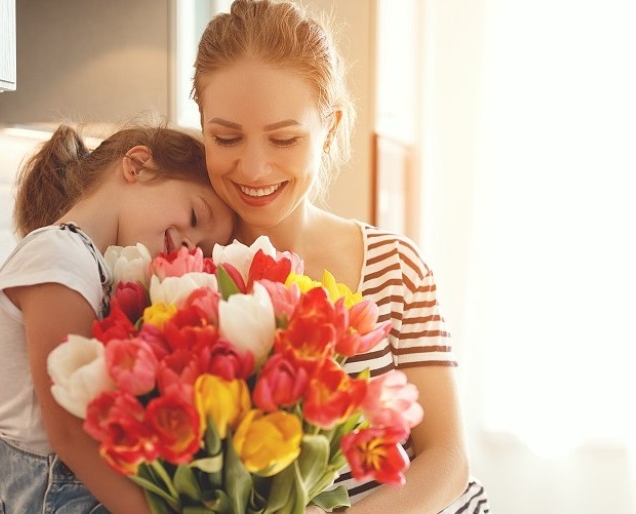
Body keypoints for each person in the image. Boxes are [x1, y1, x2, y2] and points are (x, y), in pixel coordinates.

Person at [192, 1, 490, 512]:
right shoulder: (181, 277)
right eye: (226, 137)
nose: (255, 167)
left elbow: (447, 458)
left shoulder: (396, 267)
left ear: (328, 128)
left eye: (284, 138)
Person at [0, 123, 235, 513]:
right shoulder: (57, 254)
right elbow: (70, 433)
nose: (190, 245)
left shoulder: (97, 272)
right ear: (138, 165)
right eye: (196, 215)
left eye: (204, 247)